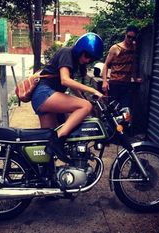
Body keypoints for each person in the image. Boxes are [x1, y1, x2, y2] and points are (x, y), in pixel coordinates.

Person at [31, 32, 104, 163]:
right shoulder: (66, 52)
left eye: (91, 59)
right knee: (83, 108)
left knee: (47, 146)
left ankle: (43, 177)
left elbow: (74, 87)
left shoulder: (76, 62)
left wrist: (85, 100)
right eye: (87, 55)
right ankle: (58, 140)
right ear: (80, 49)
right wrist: (92, 92)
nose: (87, 60)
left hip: (46, 98)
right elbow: (65, 80)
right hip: (44, 94)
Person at [102, 25, 141, 108]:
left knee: (125, 111)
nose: (130, 39)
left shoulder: (134, 48)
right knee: (113, 109)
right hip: (115, 83)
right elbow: (106, 65)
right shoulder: (115, 48)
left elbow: (133, 63)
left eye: (133, 38)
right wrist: (104, 81)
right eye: (129, 37)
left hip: (127, 84)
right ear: (125, 34)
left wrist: (134, 78)